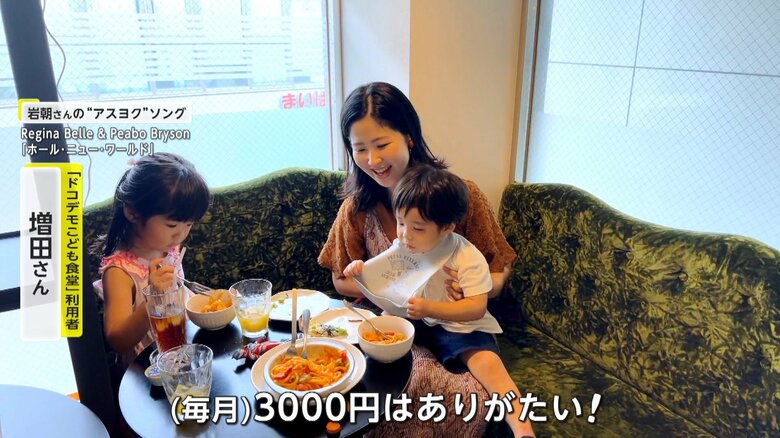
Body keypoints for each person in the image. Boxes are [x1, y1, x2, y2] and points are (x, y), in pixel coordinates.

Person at [318, 82, 520, 435]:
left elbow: (499, 268)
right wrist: (384, 284)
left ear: (409, 137)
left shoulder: (458, 195)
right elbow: (340, 279)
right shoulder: (357, 207)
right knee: (389, 388)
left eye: (382, 145)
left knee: (463, 395)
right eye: (360, 149)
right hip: (391, 327)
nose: (373, 160)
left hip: (457, 325)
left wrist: (471, 290)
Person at [343, 165, 535, 437]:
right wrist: (360, 270)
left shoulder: (466, 257)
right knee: (373, 335)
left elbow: (476, 307)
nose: (405, 235)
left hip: (458, 325)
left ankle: (522, 428)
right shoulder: (404, 245)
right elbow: (383, 277)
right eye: (400, 223)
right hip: (416, 318)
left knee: (488, 364)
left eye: (417, 228)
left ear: (447, 227)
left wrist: (430, 308)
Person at [92, 152, 210, 367]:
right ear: (133, 213)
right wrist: (152, 298)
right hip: (148, 368)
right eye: (172, 225)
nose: (181, 235)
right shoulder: (119, 272)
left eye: (189, 224)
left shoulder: (168, 247)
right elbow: (118, 341)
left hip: (184, 350)